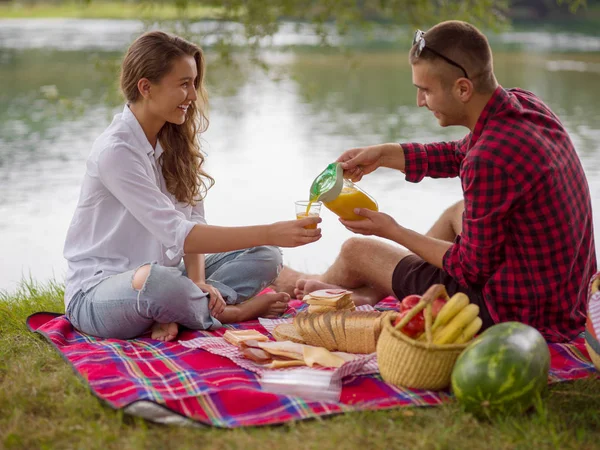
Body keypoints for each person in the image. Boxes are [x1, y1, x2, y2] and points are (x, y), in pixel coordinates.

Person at [274, 20, 596, 343]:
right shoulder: (525, 106)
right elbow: (458, 155)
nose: (420, 101)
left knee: (355, 250)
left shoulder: (488, 159)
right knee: (460, 209)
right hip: (563, 301)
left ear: (462, 89)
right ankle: (372, 291)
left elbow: (471, 270)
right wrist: (383, 155)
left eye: (425, 90)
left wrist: (392, 229)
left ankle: (312, 288)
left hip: (513, 314)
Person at [63, 31, 321, 342]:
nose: (194, 96)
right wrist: (271, 228)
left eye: (194, 83)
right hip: (100, 294)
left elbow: (193, 225)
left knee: (265, 254)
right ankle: (230, 312)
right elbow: (180, 235)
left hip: (170, 277)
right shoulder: (116, 152)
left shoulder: (173, 142)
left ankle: (185, 308)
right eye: (184, 84)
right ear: (146, 87)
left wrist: (198, 281)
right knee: (156, 282)